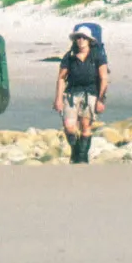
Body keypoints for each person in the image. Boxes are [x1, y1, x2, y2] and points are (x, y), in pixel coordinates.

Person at [54, 22, 108, 163]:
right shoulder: (69, 56)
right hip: (71, 94)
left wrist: (101, 100)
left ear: (89, 40)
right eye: (78, 37)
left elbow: (103, 78)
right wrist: (58, 99)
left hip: (90, 94)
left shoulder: (97, 56)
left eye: (83, 37)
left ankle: (82, 158)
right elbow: (61, 78)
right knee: (69, 126)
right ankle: (76, 151)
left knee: (85, 127)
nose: (80, 40)